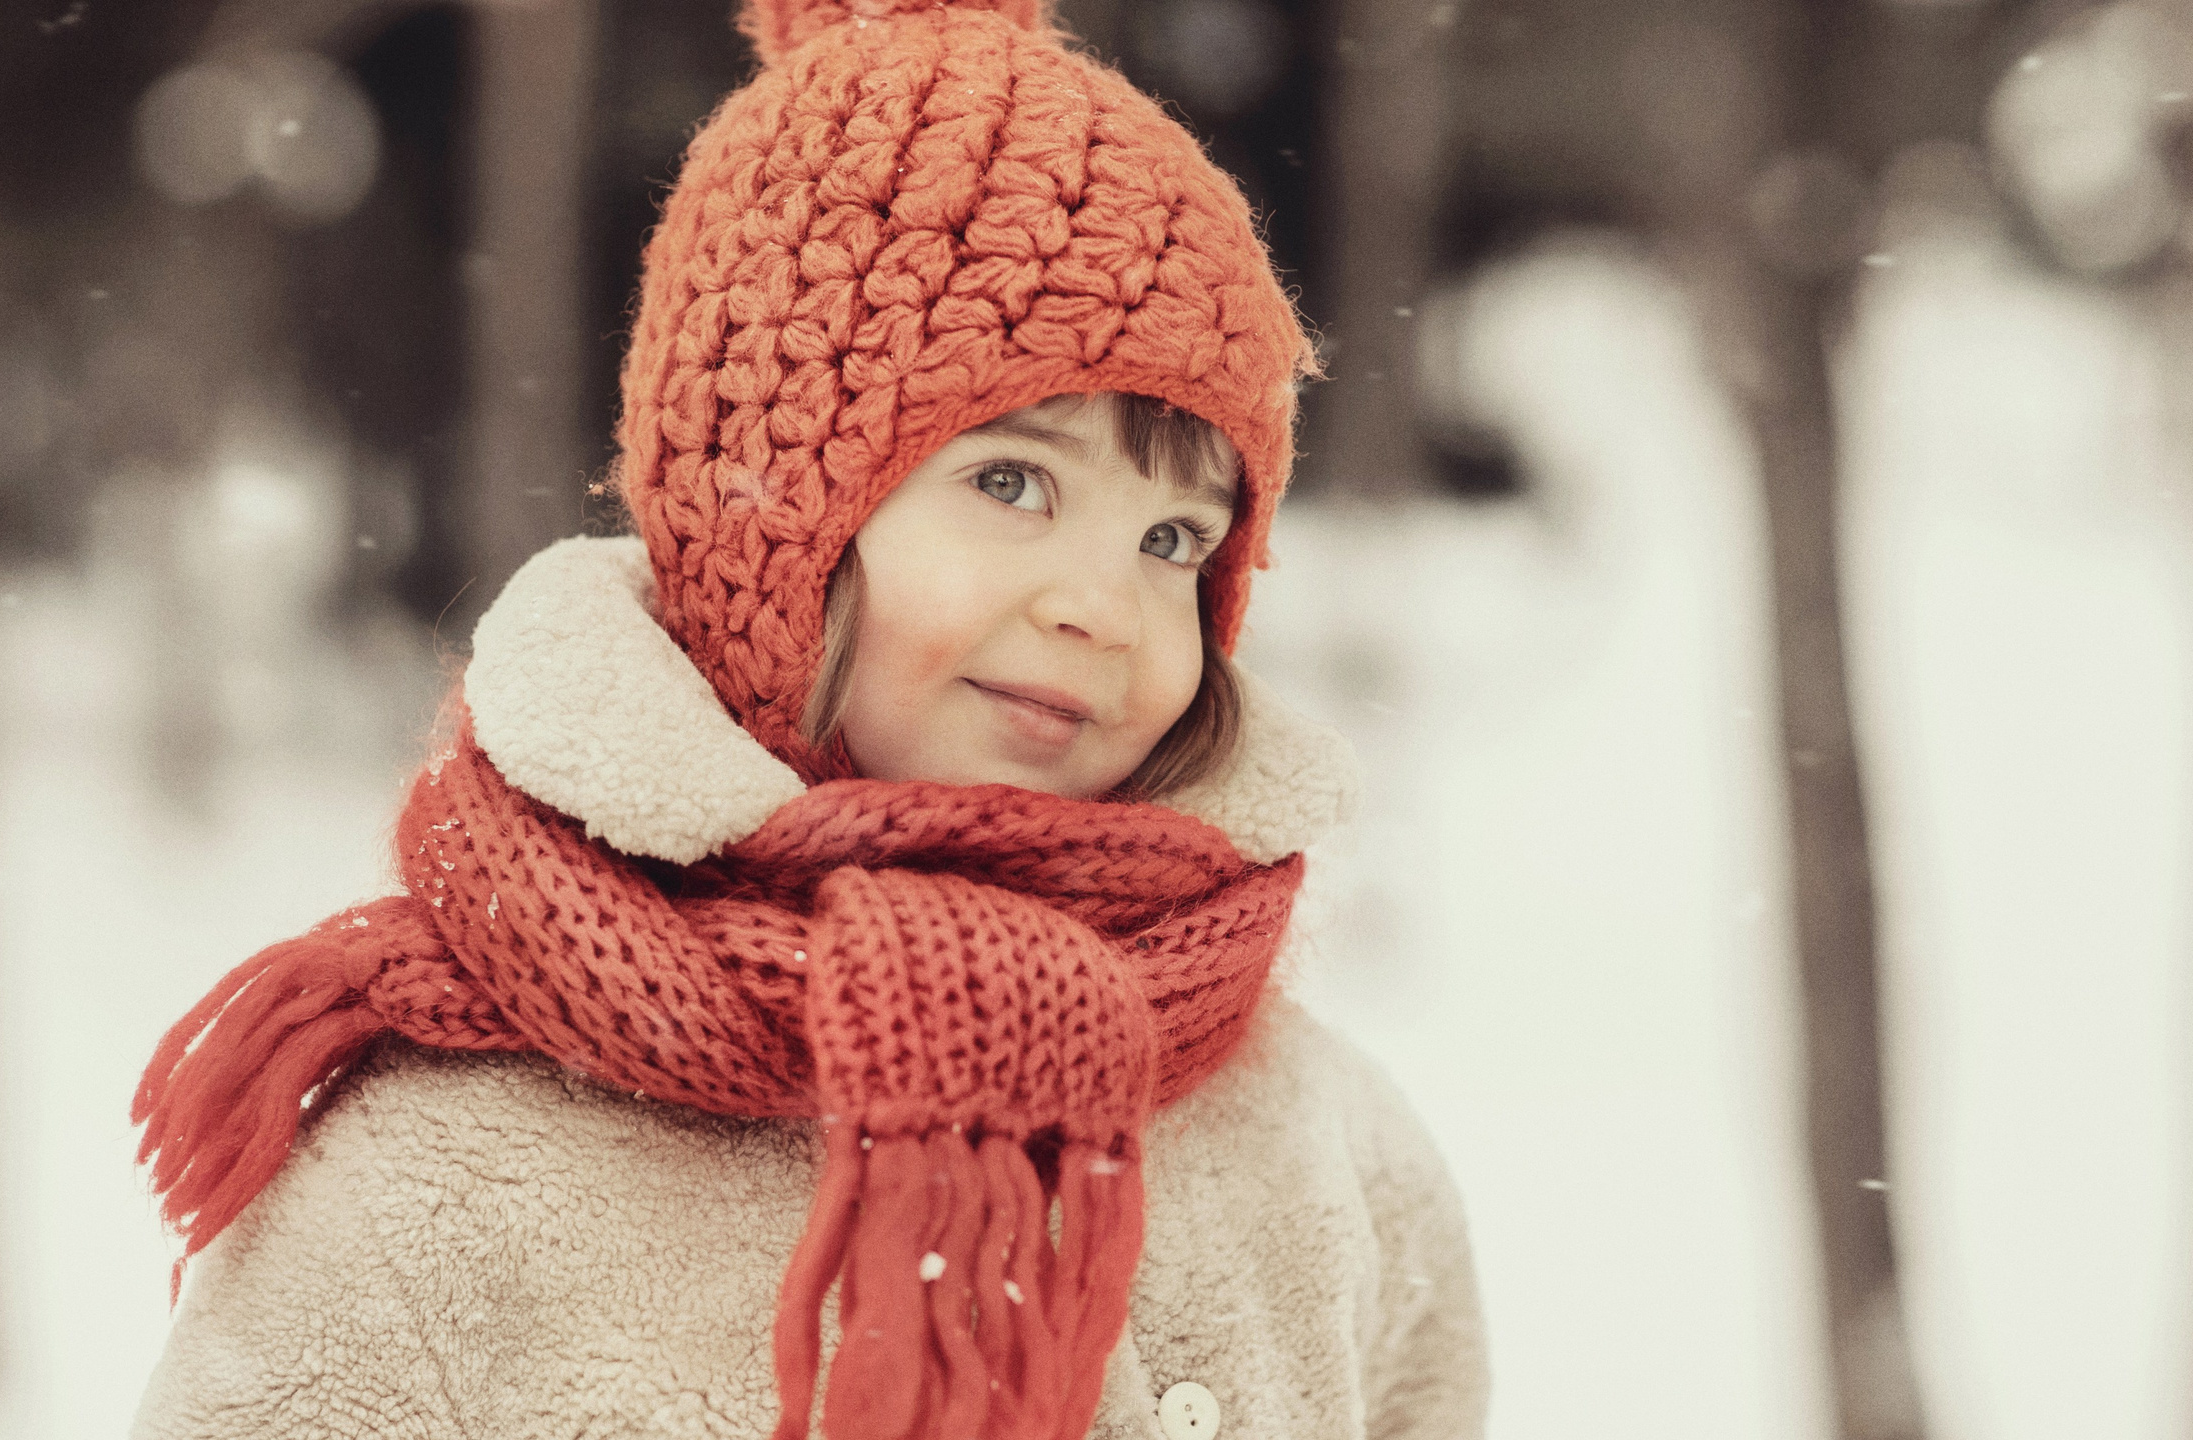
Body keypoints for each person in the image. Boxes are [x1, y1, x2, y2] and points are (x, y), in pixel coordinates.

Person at [127, 0, 1487, 1436]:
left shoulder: (1316, 1142)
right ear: (767, 521)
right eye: (1013, 486)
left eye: (1173, 541)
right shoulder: (428, 1184)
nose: (1104, 606)